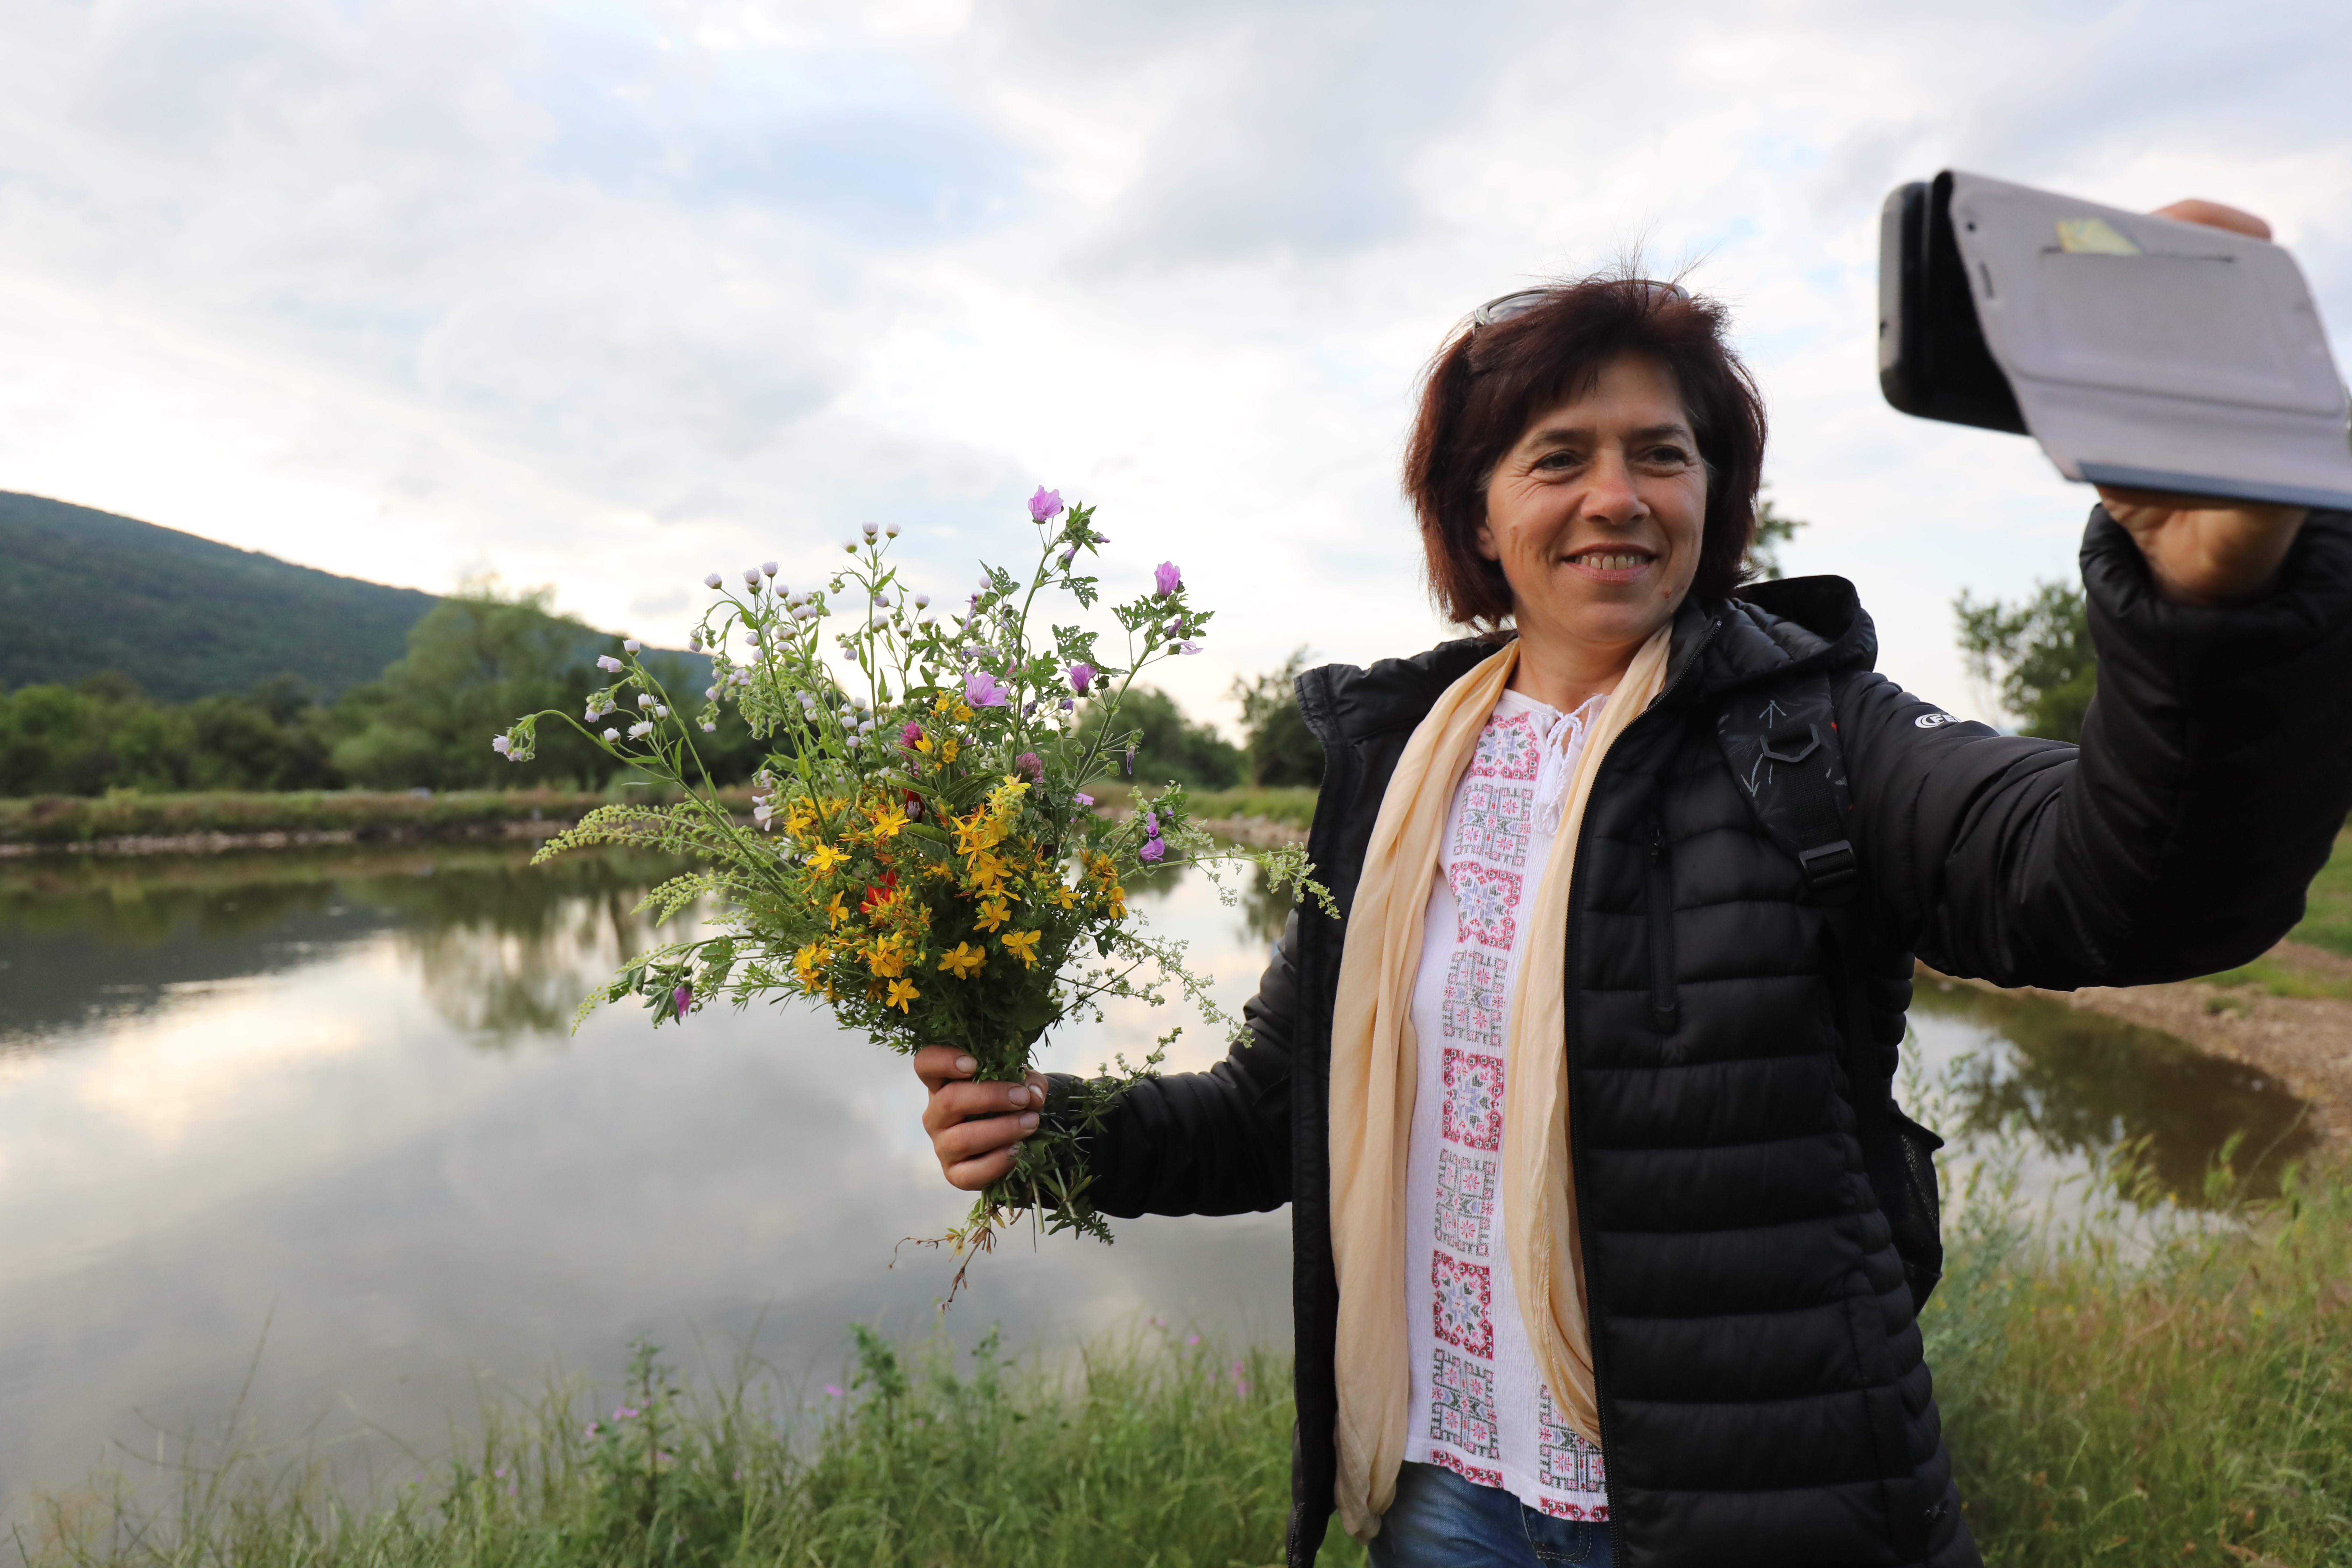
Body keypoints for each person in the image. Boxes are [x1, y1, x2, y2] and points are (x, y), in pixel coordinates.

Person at [914, 200, 2352, 1568]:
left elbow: (2129, 890)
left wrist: (2213, 609)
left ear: (1715, 496)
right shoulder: (1388, 776)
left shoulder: (1823, 733)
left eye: (1661, 453)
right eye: (1559, 456)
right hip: (1441, 1500)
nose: (1618, 494)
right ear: (1479, 516)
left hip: (1762, 1519)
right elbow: (1273, 1114)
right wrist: (1058, 1131)